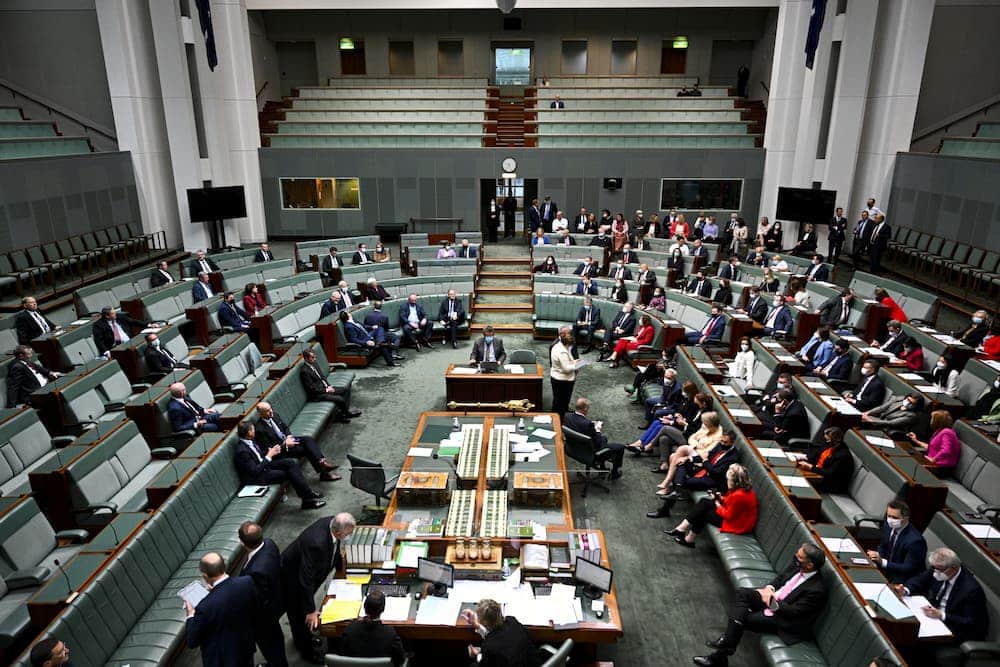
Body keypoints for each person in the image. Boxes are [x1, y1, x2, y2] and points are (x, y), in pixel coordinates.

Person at [694, 543, 828, 666]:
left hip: (785, 619)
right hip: (773, 598)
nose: (795, 557)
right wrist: (769, 588)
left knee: (743, 617)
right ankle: (726, 647)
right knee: (742, 593)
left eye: (799, 557)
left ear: (810, 565)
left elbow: (793, 612)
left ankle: (720, 655)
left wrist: (770, 600)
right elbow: (781, 578)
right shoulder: (798, 565)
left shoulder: (817, 589)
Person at [281, 513, 357, 662]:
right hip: (292, 580)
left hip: (308, 575)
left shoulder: (332, 522)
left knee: (305, 613)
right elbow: (305, 579)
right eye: (348, 534)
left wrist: (342, 569)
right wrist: (310, 610)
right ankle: (306, 651)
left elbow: (335, 549)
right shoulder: (316, 544)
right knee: (298, 614)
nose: (350, 536)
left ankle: (308, 637)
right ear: (339, 533)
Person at [896, 547, 988, 664]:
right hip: (932, 618)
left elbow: (972, 623)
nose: (935, 573)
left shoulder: (971, 590)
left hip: (954, 629)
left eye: (938, 570)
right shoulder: (939, 569)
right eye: (934, 569)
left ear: (953, 569)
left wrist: (942, 615)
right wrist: (906, 590)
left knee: (910, 641)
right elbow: (920, 580)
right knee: (904, 630)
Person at [183, 552, 256, 667]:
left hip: (223, 660)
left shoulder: (205, 606)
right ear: (223, 566)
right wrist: (217, 592)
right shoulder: (246, 582)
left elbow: (192, 641)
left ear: (205, 576)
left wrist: (190, 614)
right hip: (245, 646)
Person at [234, 422, 325, 509]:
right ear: (249, 432)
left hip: (264, 466)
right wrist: (269, 456)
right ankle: (307, 499)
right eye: (253, 429)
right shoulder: (242, 451)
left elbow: (259, 456)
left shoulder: (250, 440)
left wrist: (270, 452)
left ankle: (307, 495)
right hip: (258, 477)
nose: (255, 431)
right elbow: (254, 471)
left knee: (290, 463)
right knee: (289, 473)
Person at [668, 463, 757, 547]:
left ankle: (688, 537)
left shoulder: (739, 494)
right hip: (736, 517)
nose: (727, 481)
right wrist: (720, 497)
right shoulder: (742, 489)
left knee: (704, 513)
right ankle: (683, 529)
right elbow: (731, 502)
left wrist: (717, 504)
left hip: (737, 524)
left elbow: (729, 515)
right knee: (704, 502)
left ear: (735, 481)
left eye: (729, 480)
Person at [238, 521, 288, 667]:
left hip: (263, 617)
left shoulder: (256, 571)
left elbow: (259, 599)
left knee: (270, 644)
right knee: (275, 640)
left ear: (242, 542)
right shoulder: (269, 544)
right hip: (277, 599)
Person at [255, 401, 342, 477]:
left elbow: (285, 428)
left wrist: (289, 436)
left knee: (308, 439)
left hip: (288, 440)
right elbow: (268, 449)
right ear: (260, 414)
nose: (271, 412)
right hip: (281, 451)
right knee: (307, 449)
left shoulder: (275, 415)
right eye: (267, 411)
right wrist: (285, 444)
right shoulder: (259, 429)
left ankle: (322, 461)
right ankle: (324, 472)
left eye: (270, 409)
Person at [655, 412, 723, 496]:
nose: (703, 425)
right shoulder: (705, 427)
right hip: (694, 449)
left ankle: (667, 482)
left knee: (681, 449)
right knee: (673, 456)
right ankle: (669, 487)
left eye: (705, 423)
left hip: (700, 458)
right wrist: (697, 445)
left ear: (711, 425)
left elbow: (707, 452)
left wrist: (697, 448)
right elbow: (692, 438)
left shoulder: (718, 436)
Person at [461, 599, 541, 666]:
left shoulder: (489, 647)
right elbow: (498, 637)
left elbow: (483, 662)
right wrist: (478, 626)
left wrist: (478, 655)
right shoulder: (511, 621)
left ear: (484, 622)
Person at [865, 500, 927, 584]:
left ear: (906, 518)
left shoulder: (915, 541)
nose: (890, 520)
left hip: (902, 578)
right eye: (888, 516)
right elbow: (883, 546)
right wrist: (877, 556)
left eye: (895, 517)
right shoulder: (888, 525)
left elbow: (908, 568)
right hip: (887, 570)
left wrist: (882, 562)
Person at [338, 590, 406, 665]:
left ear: (364, 607)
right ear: (382, 609)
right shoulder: (390, 634)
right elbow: (400, 660)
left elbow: (342, 654)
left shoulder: (350, 629)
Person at [563, 398, 625, 479]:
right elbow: (598, 442)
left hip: (572, 448)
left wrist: (592, 424)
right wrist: (597, 429)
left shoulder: (567, 416)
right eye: (588, 408)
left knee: (604, 438)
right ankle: (614, 473)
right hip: (590, 454)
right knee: (620, 447)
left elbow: (578, 424)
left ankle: (602, 469)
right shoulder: (588, 425)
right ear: (585, 409)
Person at [300, 348, 361, 421]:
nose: (315, 359)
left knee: (345, 390)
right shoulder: (304, 371)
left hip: (325, 387)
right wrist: (326, 390)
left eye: (315, 357)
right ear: (306, 358)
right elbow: (312, 388)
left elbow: (322, 376)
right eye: (312, 357)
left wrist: (328, 385)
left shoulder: (314, 363)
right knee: (340, 399)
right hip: (317, 395)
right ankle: (345, 414)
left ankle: (343, 413)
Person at [796, 427, 853, 492]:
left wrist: (811, 467)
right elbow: (817, 455)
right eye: (826, 439)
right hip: (819, 475)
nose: (826, 442)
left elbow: (830, 473)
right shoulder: (830, 445)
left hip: (831, 484)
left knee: (799, 482)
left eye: (828, 440)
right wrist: (805, 458)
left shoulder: (843, 456)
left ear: (837, 440)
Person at [907, 410, 960, 475]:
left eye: (932, 418)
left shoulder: (947, 432)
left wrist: (933, 460)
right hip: (933, 463)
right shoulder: (939, 431)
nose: (930, 420)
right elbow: (931, 447)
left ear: (937, 421)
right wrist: (916, 440)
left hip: (941, 468)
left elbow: (946, 450)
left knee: (910, 467)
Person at [549, 326, 577, 418]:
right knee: (559, 403)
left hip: (559, 378)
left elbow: (569, 359)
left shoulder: (560, 346)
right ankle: (558, 421)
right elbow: (566, 368)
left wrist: (574, 362)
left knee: (560, 401)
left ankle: (559, 416)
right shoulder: (562, 351)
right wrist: (576, 365)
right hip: (563, 380)